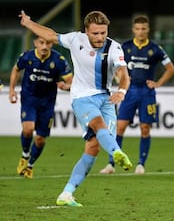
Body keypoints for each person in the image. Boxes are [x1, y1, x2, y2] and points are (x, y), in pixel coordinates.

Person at [19, 10, 132, 207]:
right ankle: (116, 151)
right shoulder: (75, 40)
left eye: (103, 33)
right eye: (95, 33)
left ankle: (66, 193)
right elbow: (50, 35)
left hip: (105, 99)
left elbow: (123, 73)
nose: (100, 37)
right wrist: (28, 23)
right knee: (98, 125)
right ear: (86, 32)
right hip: (81, 98)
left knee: (93, 147)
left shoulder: (114, 48)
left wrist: (122, 90)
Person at [100, 14, 174, 174]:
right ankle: (111, 164)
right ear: (133, 30)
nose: (141, 31)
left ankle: (141, 164)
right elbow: (112, 65)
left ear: (148, 30)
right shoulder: (125, 47)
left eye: (144, 29)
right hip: (129, 92)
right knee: (119, 127)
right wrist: (118, 78)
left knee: (145, 128)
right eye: (138, 29)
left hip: (147, 93)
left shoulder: (155, 49)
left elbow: (170, 68)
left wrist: (158, 83)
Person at [9, 36, 73, 179]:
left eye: (48, 43)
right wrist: (12, 90)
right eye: (41, 43)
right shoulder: (27, 56)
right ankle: (25, 155)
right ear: (36, 43)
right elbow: (16, 69)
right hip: (29, 99)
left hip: (47, 104)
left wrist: (66, 87)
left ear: (52, 44)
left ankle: (30, 166)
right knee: (28, 129)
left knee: (40, 139)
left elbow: (71, 82)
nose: (44, 46)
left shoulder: (59, 60)